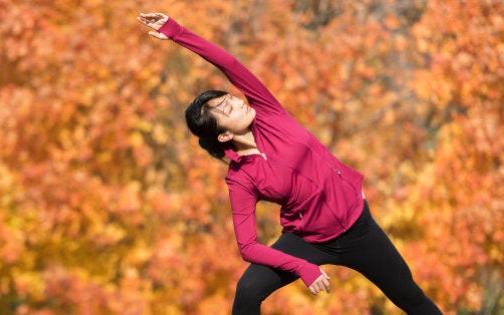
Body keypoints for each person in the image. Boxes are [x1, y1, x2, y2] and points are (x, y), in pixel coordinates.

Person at [137, 12, 442, 314]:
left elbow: (228, 64)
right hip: (308, 240)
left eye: (232, 98)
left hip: (358, 226)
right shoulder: (240, 178)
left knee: (411, 299)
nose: (239, 103)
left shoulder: (268, 112)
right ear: (224, 135)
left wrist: (177, 32)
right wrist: (301, 266)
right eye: (229, 109)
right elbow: (248, 247)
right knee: (247, 291)